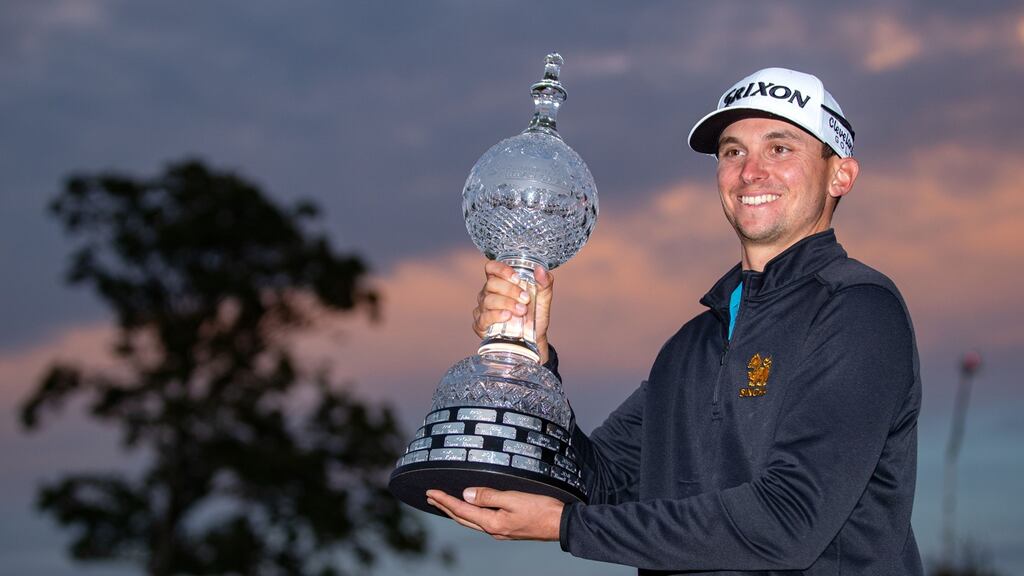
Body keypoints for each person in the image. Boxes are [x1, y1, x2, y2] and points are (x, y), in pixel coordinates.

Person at [427, 67, 923, 575]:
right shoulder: (691, 346)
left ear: (840, 174)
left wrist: (566, 527)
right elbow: (600, 483)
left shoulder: (858, 309)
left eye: (780, 148)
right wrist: (533, 358)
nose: (751, 171)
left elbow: (788, 521)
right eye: (733, 152)